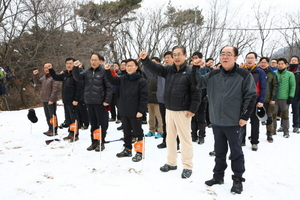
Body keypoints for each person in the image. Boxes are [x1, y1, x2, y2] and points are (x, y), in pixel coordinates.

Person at [193, 46, 256, 194]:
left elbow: (251, 96)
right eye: (222, 54)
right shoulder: (213, 74)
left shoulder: (244, 75)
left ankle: (238, 180)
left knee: (236, 152)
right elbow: (198, 83)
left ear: (235, 57)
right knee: (219, 151)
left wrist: (244, 116)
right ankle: (218, 176)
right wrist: (196, 68)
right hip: (216, 121)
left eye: (229, 54)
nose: (225, 57)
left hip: (234, 121)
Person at [140, 46, 200, 179]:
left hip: (183, 111)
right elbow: (156, 68)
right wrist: (145, 60)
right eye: (174, 55)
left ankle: (187, 166)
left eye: (179, 54)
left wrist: (193, 109)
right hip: (169, 109)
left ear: (185, 55)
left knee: (185, 140)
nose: (177, 57)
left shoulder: (190, 72)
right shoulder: (168, 70)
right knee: (170, 138)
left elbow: (197, 91)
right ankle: (171, 162)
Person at [104, 59, 148, 162]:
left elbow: (144, 97)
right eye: (127, 66)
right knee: (126, 132)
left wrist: (141, 111)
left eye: (131, 65)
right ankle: (127, 149)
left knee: (138, 132)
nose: (129, 67)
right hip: (124, 111)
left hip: (135, 111)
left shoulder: (141, 81)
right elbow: (112, 80)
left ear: (136, 67)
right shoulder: (122, 79)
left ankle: (139, 152)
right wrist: (107, 70)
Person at [73, 53, 112, 151]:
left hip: (100, 102)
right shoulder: (87, 72)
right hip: (89, 101)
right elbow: (78, 78)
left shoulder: (104, 72)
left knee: (101, 123)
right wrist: (75, 68)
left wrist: (107, 100)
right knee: (93, 124)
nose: (93, 62)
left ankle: (101, 142)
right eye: (92, 60)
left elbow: (109, 87)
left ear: (100, 61)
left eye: (95, 60)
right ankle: (94, 141)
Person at [48, 58, 83, 142]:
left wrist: (76, 99)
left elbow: (79, 88)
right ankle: (70, 132)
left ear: (74, 64)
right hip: (66, 100)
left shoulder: (77, 74)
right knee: (68, 118)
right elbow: (56, 77)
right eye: (67, 63)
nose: (68, 65)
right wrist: (51, 69)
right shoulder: (65, 74)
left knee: (74, 117)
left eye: (70, 63)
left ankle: (75, 134)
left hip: (73, 101)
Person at [240, 52, 266, 151]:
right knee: (242, 121)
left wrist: (261, 100)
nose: (249, 60)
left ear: (255, 60)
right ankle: (241, 140)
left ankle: (254, 142)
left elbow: (263, 87)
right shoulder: (242, 71)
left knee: (255, 123)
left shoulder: (260, 72)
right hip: (242, 101)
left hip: (255, 100)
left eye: (252, 58)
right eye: (248, 58)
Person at [32, 63, 59, 136]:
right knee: (47, 116)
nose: (46, 69)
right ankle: (50, 128)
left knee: (52, 116)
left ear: (52, 67)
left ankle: (54, 130)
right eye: (45, 68)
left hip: (51, 100)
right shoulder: (44, 77)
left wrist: (51, 99)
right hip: (44, 99)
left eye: (48, 67)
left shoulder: (54, 77)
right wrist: (35, 75)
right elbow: (37, 82)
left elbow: (55, 90)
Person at [258, 57, 279, 142]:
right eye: (261, 62)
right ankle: (254, 135)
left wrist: (273, 98)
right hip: (257, 99)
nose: (263, 64)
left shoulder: (272, 74)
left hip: (268, 99)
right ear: (259, 63)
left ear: (268, 63)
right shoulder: (256, 72)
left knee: (269, 117)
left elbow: (276, 86)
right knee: (255, 120)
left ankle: (269, 134)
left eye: (265, 62)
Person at [275, 58, 296, 138]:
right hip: (275, 98)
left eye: (282, 64)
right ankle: (272, 130)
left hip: (285, 98)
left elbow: (292, 86)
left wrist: (291, 96)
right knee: (273, 115)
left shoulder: (290, 74)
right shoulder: (274, 73)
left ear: (286, 65)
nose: (280, 65)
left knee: (285, 116)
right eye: (279, 64)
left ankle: (286, 131)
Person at [144, 57, 164, 139]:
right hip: (150, 97)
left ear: (158, 63)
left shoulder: (161, 72)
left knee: (159, 117)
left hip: (158, 98)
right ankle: (151, 130)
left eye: (154, 62)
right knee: (151, 116)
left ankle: (160, 131)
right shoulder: (149, 74)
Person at [190, 51, 207, 145]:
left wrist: (207, 95)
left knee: (201, 118)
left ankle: (201, 135)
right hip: (193, 97)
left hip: (203, 97)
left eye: (196, 57)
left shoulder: (205, 69)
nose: (194, 59)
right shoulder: (191, 69)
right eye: (193, 57)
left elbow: (208, 83)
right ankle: (193, 134)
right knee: (193, 117)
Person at [289, 56, 300, 133]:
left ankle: (296, 125)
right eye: (292, 60)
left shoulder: (299, 71)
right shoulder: (287, 70)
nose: (293, 61)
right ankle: (284, 126)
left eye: (295, 60)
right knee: (285, 111)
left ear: (298, 62)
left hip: (297, 93)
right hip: (287, 93)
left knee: (296, 110)